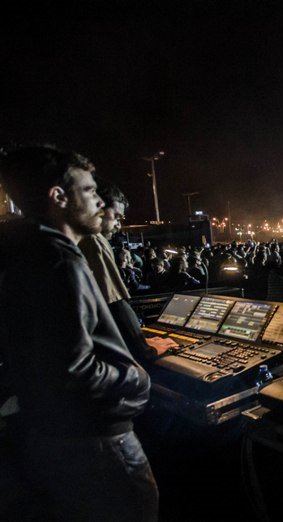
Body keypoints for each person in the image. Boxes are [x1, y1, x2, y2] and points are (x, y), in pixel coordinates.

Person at [0, 145, 157, 521]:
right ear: (58, 197)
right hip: (98, 443)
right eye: (88, 190)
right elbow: (72, 370)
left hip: (51, 435)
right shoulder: (60, 262)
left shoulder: (24, 252)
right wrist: (134, 377)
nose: (100, 201)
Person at [78, 180, 151, 361]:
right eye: (117, 217)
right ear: (99, 207)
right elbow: (115, 303)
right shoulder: (93, 240)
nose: (119, 225)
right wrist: (144, 349)